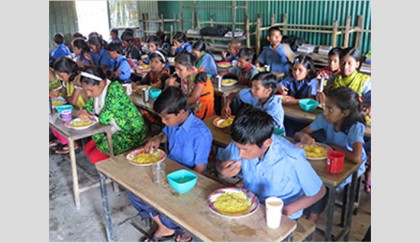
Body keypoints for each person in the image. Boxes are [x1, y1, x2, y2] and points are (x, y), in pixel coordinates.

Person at [128, 86, 212, 242]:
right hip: (167, 169)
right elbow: (165, 134)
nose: (163, 121)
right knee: (133, 193)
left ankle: (173, 225)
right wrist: (157, 139)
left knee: (169, 209)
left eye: (166, 118)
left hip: (186, 180)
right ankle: (164, 226)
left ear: (181, 113)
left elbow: (200, 168)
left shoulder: (201, 134)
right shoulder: (173, 124)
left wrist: (178, 187)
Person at [216, 106, 326, 221]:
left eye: (245, 150)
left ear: (267, 143)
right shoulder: (243, 141)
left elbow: (319, 191)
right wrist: (221, 170)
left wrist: (286, 211)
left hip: (281, 213)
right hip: (252, 204)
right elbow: (220, 164)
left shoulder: (292, 158)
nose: (239, 154)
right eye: (237, 147)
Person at [294, 87, 367, 190]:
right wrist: (302, 136)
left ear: (345, 113)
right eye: (325, 107)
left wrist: (333, 147)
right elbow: (299, 133)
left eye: (330, 109)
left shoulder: (355, 127)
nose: (325, 112)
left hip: (350, 165)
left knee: (324, 185)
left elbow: (356, 158)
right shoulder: (324, 119)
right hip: (329, 159)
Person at [77, 66, 147, 164]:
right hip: (112, 128)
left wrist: (90, 116)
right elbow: (89, 105)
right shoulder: (98, 92)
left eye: (90, 90)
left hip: (130, 132)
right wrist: (84, 110)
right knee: (87, 149)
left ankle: (112, 170)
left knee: (95, 157)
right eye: (86, 91)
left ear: (101, 83)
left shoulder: (115, 90)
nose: (88, 94)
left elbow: (104, 118)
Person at [51, 57, 89, 154]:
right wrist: (57, 92)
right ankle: (63, 140)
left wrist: (67, 98)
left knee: (61, 118)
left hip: (83, 110)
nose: (60, 78)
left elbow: (72, 101)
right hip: (75, 108)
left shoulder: (79, 81)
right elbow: (64, 93)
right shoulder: (68, 80)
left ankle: (75, 144)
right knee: (54, 117)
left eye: (61, 75)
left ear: (69, 72)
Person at [166, 51, 214, 120]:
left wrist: (175, 104)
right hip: (191, 108)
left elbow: (193, 99)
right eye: (175, 68)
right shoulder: (184, 76)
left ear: (190, 69)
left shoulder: (200, 77)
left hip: (203, 111)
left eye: (180, 69)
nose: (176, 72)